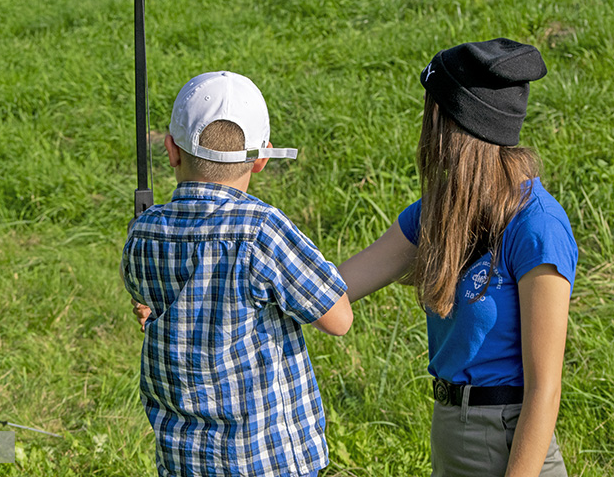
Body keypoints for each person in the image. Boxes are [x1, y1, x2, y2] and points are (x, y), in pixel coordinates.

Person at [338, 38, 578, 476]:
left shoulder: (536, 227)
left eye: (433, 117)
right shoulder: (439, 212)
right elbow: (337, 287)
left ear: (456, 130)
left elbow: (545, 389)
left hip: (510, 442)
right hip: (450, 430)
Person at [121, 71, 353, 477]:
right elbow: (339, 318)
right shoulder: (262, 229)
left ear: (172, 150)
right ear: (262, 158)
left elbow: (144, 294)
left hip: (183, 462)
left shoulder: (144, 231)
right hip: (267, 461)